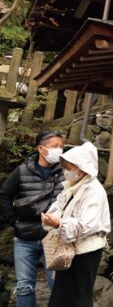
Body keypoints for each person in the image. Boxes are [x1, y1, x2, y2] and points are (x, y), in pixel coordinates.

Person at [41, 141, 110, 307]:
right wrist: (52, 219)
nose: (65, 172)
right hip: (70, 248)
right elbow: (57, 208)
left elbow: (87, 224)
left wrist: (59, 223)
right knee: (61, 297)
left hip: (86, 251)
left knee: (78, 297)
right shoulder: (72, 187)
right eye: (64, 167)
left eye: (69, 168)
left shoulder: (94, 190)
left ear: (82, 168)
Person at [0, 130, 65, 307]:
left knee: (58, 286)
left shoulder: (67, 171)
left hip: (54, 237)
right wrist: (14, 222)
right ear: (40, 148)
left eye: (61, 146)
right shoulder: (22, 171)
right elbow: (4, 196)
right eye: (55, 146)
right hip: (25, 238)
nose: (59, 150)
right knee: (24, 287)